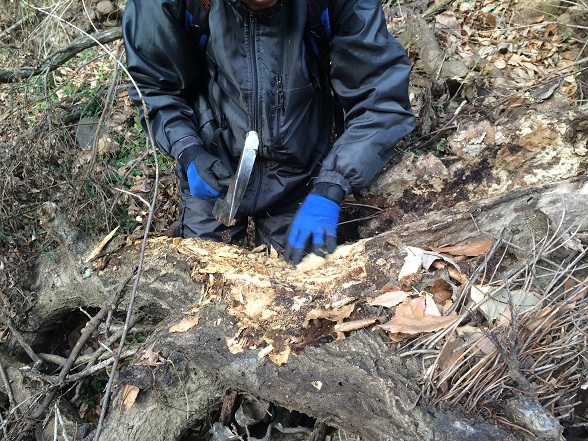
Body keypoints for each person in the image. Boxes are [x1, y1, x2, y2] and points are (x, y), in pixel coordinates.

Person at [122, 0, 415, 265]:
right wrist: (187, 149)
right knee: (203, 291)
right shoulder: (162, 4)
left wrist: (333, 182)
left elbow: (380, 98)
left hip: (300, 170)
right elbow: (154, 88)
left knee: (296, 299)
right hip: (213, 164)